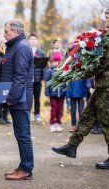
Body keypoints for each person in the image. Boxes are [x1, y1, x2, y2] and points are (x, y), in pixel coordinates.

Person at [52, 8, 109, 170]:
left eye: (108, 18)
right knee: (87, 116)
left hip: (107, 88)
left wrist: (78, 72)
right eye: (105, 17)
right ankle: (72, 146)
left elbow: (100, 65)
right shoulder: (104, 36)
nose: (106, 21)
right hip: (102, 87)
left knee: (106, 121)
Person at [0, 20, 34, 180]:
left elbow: (20, 76)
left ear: (15, 31)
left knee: (23, 135)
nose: (4, 34)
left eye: (6, 32)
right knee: (20, 134)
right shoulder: (15, 46)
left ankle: (26, 169)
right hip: (17, 98)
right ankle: (23, 166)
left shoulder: (22, 47)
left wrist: (11, 99)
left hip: (20, 99)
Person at [44, 51, 66, 132]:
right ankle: (52, 124)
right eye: (55, 61)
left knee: (60, 110)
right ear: (52, 62)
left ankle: (58, 123)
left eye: (58, 61)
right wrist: (47, 93)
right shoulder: (50, 71)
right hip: (53, 94)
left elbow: (65, 83)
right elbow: (47, 83)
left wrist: (66, 93)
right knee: (54, 109)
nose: (56, 63)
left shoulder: (63, 71)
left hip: (61, 94)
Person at [28, 33, 46, 122]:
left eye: (35, 39)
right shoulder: (26, 51)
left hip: (38, 79)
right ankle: (27, 114)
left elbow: (44, 67)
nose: (33, 41)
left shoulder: (41, 53)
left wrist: (43, 78)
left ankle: (37, 114)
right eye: (31, 39)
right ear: (29, 40)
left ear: (37, 41)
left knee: (37, 98)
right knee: (28, 98)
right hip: (28, 79)